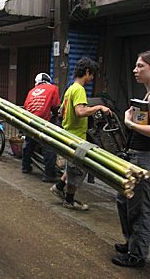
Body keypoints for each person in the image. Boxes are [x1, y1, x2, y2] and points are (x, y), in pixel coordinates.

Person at [50, 57, 111, 211]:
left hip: (69, 134)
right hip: (75, 137)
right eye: (92, 75)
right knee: (77, 170)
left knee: (72, 167)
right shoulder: (79, 90)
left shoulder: (70, 89)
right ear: (88, 72)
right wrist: (98, 107)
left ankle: (58, 187)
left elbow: (62, 111)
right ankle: (69, 200)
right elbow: (80, 111)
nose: (92, 78)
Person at [112, 51, 150, 268]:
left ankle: (137, 255)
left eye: (140, 66)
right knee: (123, 201)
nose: (135, 70)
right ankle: (130, 242)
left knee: (139, 208)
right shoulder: (146, 95)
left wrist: (130, 123)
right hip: (134, 156)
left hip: (144, 160)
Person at [22, 73, 60, 182]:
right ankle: (49, 174)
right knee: (49, 147)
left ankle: (25, 167)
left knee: (29, 143)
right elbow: (55, 106)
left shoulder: (31, 91)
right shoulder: (53, 88)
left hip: (29, 120)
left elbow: (26, 106)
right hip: (43, 122)